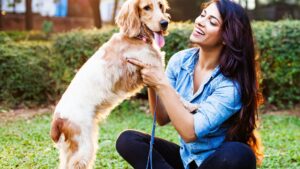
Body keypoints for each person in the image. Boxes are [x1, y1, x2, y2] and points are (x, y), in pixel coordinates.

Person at [116, 0, 264, 168]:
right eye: (202, 15)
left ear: (226, 37)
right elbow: (162, 118)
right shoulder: (180, 60)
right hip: (187, 159)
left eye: (212, 21)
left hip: (217, 161)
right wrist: (151, 77)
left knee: (240, 153)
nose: (201, 21)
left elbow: (189, 133)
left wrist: (161, 83)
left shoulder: (231, 85)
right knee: (128, 140)